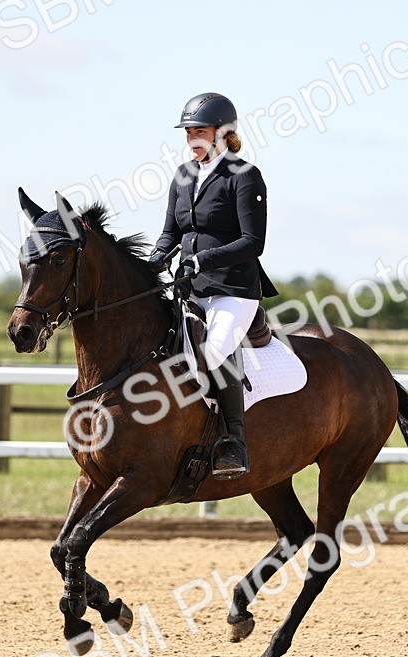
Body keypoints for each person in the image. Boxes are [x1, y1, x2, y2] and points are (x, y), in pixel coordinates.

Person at [147, 92, 278, 479]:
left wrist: (203, 259)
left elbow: (254, 242)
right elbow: (169, 233)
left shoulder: (244, 176)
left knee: (213, 354)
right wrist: (152, 262)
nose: (192, 139)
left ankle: (234, 442)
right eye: (189, 133)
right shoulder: (183, 176)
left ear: (223, 133)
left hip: (233, 291)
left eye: (200, 131)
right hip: (190, 291)